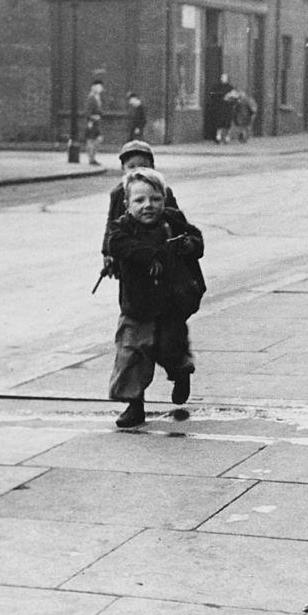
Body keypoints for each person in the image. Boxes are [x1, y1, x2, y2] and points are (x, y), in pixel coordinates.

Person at [106, 168, 205, 428]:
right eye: (139, 201)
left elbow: (197, 239)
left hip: (171, 305)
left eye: (155, 199)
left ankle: (180, 371)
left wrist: (189, 245)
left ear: (164, 199)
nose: (148, 206)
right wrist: (149, 255)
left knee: (170, 347)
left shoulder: (172, 220)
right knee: (131, 356)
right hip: (137, 306)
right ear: (127, 204)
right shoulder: (124, 228)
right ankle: (134, 405)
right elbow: (116, 244)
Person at [100, 140, 179, 278]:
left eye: (143, 167)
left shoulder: (162, 191)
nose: (137, 171)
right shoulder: (118, 194)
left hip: (158, 252)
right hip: (128, 253)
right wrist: (107, 253)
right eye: (131, 166)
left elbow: (176, 220)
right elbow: (111, 224)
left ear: (152, 167)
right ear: (123, 168)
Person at [207, 73, 234, 144]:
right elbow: (212, 94)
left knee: (227, 123)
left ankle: (227, 137)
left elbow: (234, 97)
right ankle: (218, 136)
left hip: (228, 108)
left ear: (227, 79)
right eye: (222, 77)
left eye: (225, 78)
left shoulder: (230, 87)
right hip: (220, 108)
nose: (223, 79)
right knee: (219, 123)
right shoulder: (217, 87)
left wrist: (230, 98)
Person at [85, 79, 104, 165]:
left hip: (97, 123)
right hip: (92, 123)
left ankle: (92, 157)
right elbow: (87, 112)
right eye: (99, 87)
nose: (101, 89)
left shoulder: (97, 97)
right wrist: (93, 117)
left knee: (97, 139)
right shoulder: (91, 97)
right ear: (94, 87)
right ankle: (91, 158)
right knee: (92, 140)